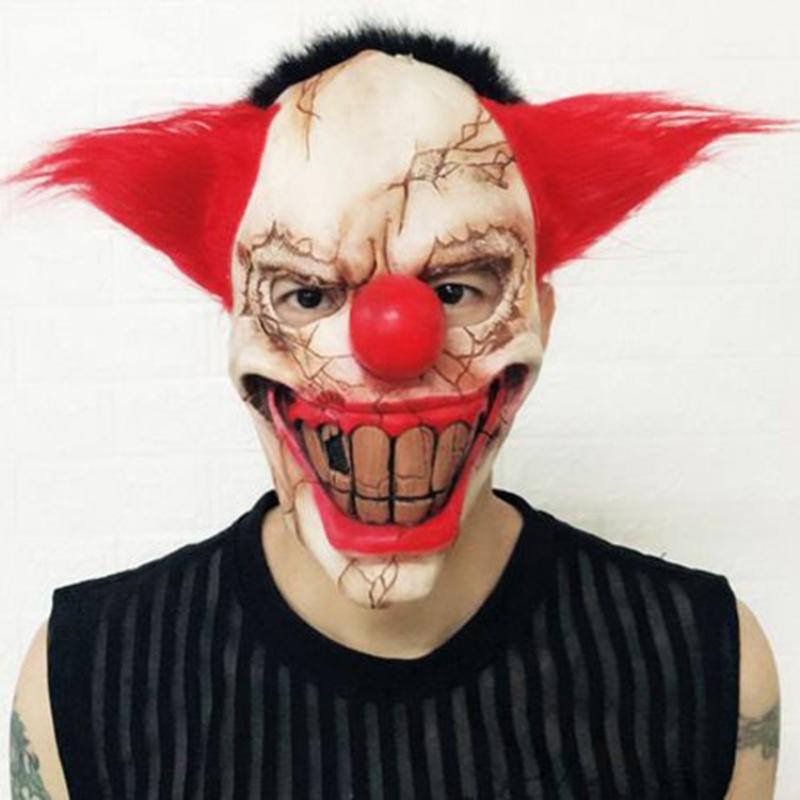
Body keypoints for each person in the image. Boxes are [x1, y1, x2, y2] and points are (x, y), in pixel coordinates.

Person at [9, 24, 780, 799]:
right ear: (236, 320)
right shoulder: (85, 677)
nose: (392, 343)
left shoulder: (707, 665)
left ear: (540, 316)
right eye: (306, 294)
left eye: (456, 289)